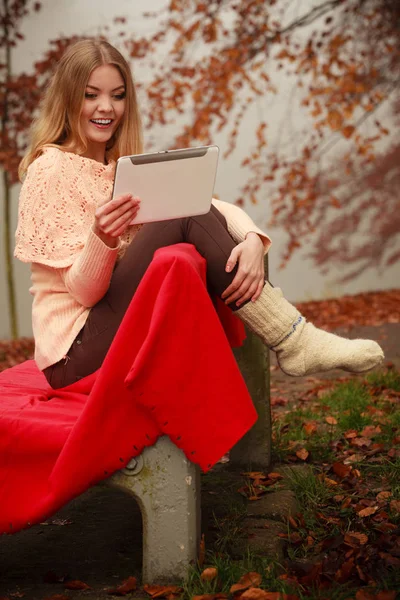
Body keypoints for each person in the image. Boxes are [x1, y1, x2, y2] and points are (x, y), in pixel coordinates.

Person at [15, 39, 384, 390]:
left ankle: (295, 338)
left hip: (107, 330)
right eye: (90, 95)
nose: (106, 108)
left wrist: (253, 239)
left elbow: (209, 206)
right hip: (71, 357)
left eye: (118, 95)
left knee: (188, 207)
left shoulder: (121, 169)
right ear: (67, 98)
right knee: (182, 213)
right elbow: (83, 294)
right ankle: (294, 339)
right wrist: (102, 238)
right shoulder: (50, 169)